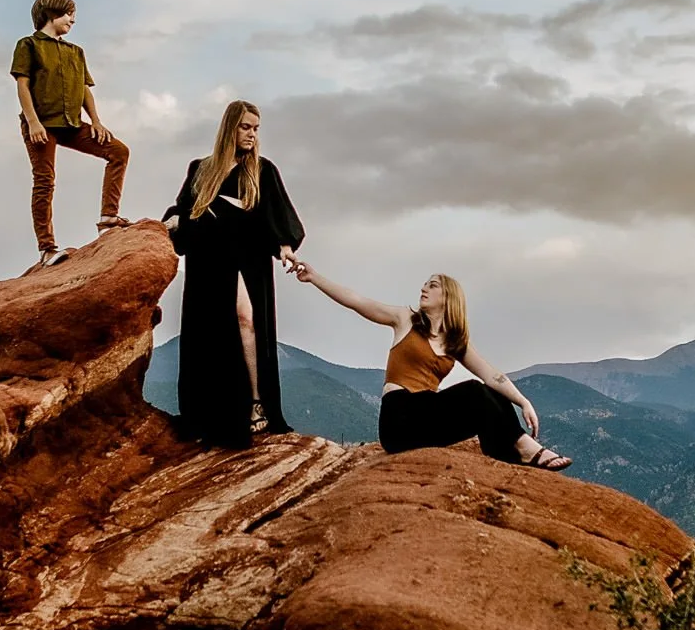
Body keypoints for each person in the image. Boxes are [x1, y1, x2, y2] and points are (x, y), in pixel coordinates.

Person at [288, 260, 570, 469]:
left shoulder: (455, 341)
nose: (424, 288)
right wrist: (314, 277)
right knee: (473, 389)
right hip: (399, 419)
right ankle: (523, 446)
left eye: (432, 285)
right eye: (425, 283)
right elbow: (357, 301)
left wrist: (524, 402)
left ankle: (510, 454)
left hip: (428, 419)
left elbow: (493, 376)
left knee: (489, 392)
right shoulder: (405, 319)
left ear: (447, 297)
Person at [165, 102, 303, 446]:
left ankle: (258, 403)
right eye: (245, 127)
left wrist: (286, 246)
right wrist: (175, 221)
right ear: (230, 128)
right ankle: (211, 413)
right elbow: (184, 212)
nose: (252, 134)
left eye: (256, 128)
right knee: (210, 332)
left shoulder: (263, 171)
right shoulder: (201, 169)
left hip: (248, 258)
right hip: (209, 260)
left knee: (246, 318)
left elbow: (278, 214)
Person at [10, 0, 131, 266]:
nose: (73, 19)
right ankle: (47, 248)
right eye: (69, 14)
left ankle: (108, 218)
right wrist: (33, 122)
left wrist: (97, 122)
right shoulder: (28, 45)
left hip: (72, 124)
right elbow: (22, 85)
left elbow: (85, 90)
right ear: (52, 14)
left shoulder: (75, 51)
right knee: (44, 181)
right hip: (41, 125)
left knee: (118, 151)